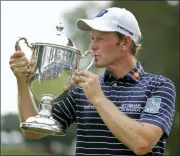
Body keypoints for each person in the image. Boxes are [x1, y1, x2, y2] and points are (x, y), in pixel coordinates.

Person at [9, 7, 176, 156]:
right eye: (92, 38)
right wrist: (22, 82)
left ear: (125, 42)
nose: (92, 47)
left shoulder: (159, 86)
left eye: (100, 39)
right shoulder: (81, 90)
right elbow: (33, 131)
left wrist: (99, 99)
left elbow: (142, 144)